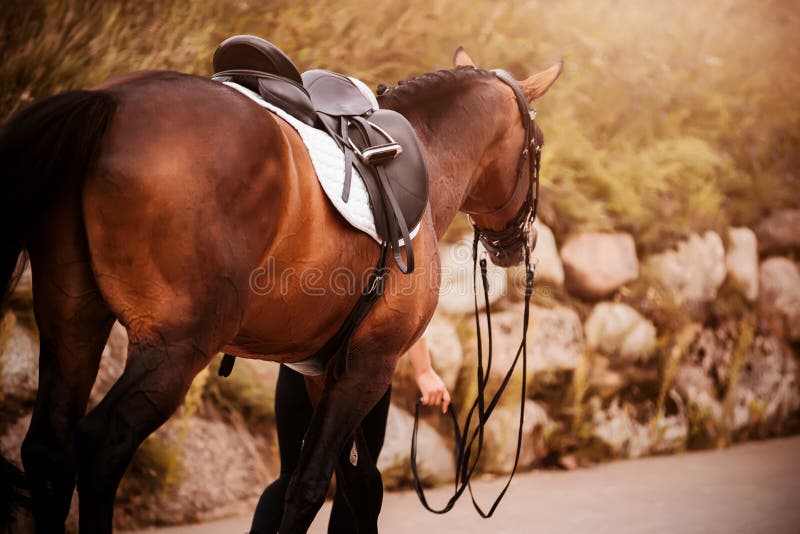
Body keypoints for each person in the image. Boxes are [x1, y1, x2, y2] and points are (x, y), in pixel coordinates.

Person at [249, 337, 450, 533]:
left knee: (292, 475)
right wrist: (423, 370)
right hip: (364, 369)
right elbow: (406, 305)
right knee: (355, 479)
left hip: (301, 363)